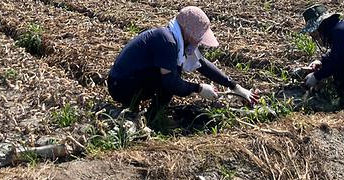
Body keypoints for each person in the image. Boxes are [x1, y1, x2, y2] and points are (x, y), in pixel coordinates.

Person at [107, 6, 259, 123]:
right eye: (198, 37)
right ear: (188, 31)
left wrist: (234, 87)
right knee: (171, 80)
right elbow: (172, 84)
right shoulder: (167, 42)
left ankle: (150, 116)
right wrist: (199, 88)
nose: (199, 42)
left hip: (130, 81)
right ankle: (149, 120)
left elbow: (202, 64)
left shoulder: (176, 39)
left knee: (172, 76)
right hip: (121, 85)